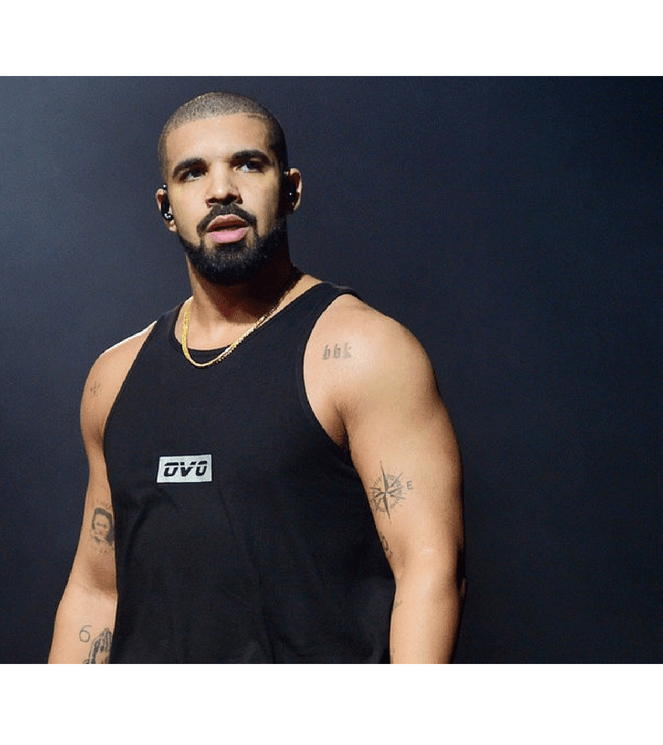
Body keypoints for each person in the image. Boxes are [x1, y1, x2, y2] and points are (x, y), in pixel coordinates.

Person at [48, 91, 465, 663]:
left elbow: (430, 569)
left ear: (290, 190)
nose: (221, 190)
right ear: (167, 206)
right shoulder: (113, 378)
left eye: (248, 164)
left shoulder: (363, 352)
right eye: (193, 173)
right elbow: (96, 592)